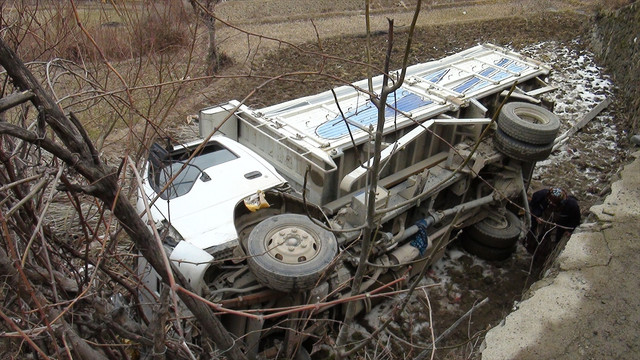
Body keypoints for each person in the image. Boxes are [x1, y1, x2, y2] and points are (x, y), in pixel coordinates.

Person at [526, 187, 581, 257]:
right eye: (550, 201)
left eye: (554, 203)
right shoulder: (541, 195)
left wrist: (569, 230)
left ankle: (542, 257)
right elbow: (533, 205)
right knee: (533, 234)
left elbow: (576, 220)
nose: (551, 203)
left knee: (550, 244)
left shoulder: (572, 206)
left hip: (558, 226)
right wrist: (537, 216)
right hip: (542, 220)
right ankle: (528, 248)